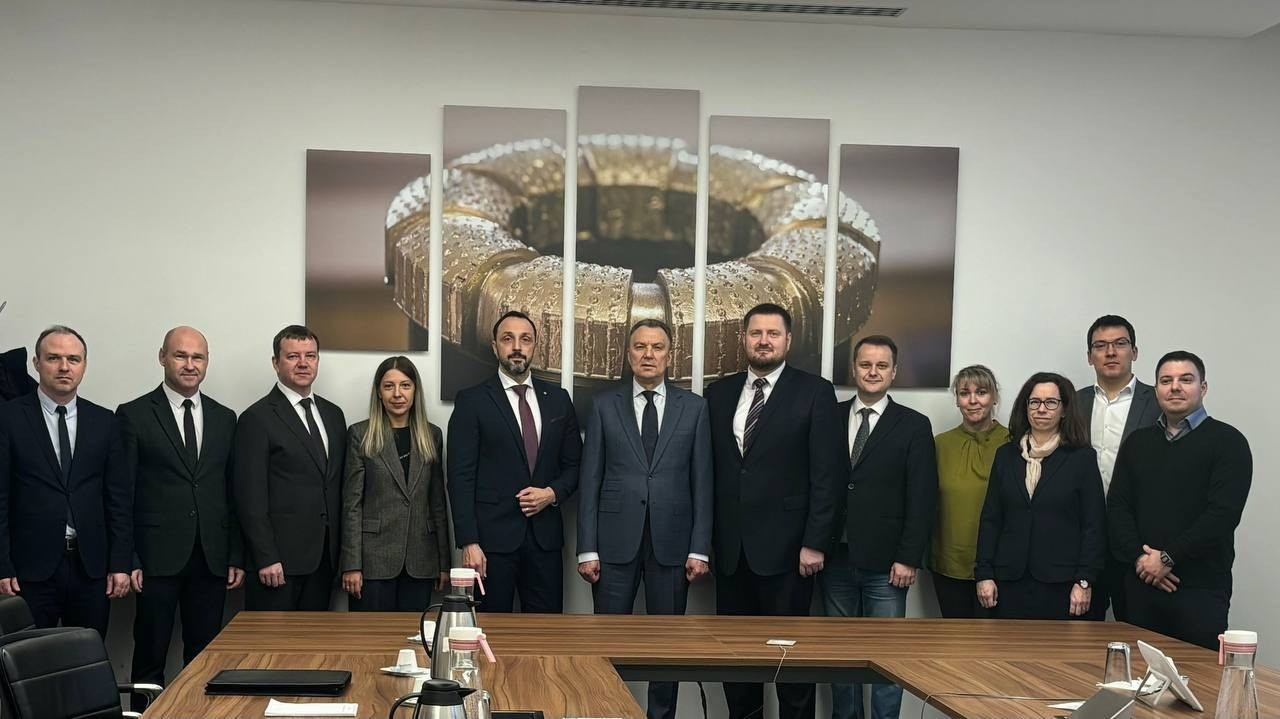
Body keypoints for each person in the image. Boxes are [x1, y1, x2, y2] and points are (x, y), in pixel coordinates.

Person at [705, 303, 843, 719]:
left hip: (790, 552)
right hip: (732, 551)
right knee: (737, 661)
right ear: (744, 339)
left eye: (773, 334)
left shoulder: (815, 392)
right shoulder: (719, 393)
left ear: (788, 340)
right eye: (756, 333)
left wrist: (816, 543)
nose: (764, 341)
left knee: (790, 662)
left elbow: (828, 475)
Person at [576, 319, 712, 719]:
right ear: (628, 354)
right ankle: (605, 713)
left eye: (657, 347)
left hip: (673, 544)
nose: (648, 354)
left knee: (665, 646)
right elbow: (590, 480)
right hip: (613, 544)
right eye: (640, 346)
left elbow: (703, 482)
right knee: (608, 643)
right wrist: (587, 548)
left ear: (670, 355)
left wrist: (700, 548)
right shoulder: (604, 405)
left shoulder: (695, 408)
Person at [117, 326, 243, 690]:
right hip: (155, 559)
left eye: (197, 357)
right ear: (162, 357)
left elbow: (232, 492)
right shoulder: (134, 414)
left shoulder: (225, 417)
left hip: (211, 557)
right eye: (180, 355)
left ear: (207, 362)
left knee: (204, 658)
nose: (190, 364)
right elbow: (122, 494)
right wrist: (129, 557)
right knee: (150, 655)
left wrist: (235, 554)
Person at [1107, 351, 1252, 650]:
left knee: (1198, 676)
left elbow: (1222, 515)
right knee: (1139, 675)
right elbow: (1118, 507)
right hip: (1141, 584)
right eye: (1166, 381)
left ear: (1203, 387)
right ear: (1156, 389)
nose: (1175, 387)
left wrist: (1168, 558)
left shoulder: (1229, 442)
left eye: (1186, 379)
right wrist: (1142, 561)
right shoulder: (1136, 443)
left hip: (1200, 589)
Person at [824, 335, 936, 719]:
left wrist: (909, 558)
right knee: (841, 657)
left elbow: (922, 498)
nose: (873, 372)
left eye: (881, 366)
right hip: (836, 558)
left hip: (888, 564)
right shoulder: (830, 416)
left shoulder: (914, 425)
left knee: (887, 659)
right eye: (865, 364)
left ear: (894, 372)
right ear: (853, 369)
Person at [0, 326, 132, 637]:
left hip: (91, 568)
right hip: (29, 569)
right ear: (36, 363)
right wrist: (2, 565)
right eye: (53, 358)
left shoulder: (105, 421)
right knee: (29, 658)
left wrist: (120, 563)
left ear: (84, 365)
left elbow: (118, 499)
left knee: (87, 655)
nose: (64, 367)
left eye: (73, 359)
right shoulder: (8, 418)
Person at [447, 311, 581, 613]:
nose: (517, 347)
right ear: (495, 347)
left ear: (535, 347)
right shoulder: (472, 401)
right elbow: (460, 477)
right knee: (492, 630)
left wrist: (552, 493)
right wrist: (469, 542)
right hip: (490, 544)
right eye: (508, 339)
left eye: (525, 339)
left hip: (545, 541)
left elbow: (575, 465)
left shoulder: (558, 399)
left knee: (546, 630)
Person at [975, 372, 1105, 620]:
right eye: (1034, 402)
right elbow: (991, 518)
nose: (1041, 409)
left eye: (1051, 402)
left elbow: (1093, 525)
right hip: (1008, 580)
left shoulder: (1081, 458)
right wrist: (984, 573)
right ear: (1025, 407)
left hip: (1062, 583)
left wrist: (1085, 580)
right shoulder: (1006, 455)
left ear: (1064, 409)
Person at [233, 325, 346, 610]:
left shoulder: (333, 415)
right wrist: (265, 557)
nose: (303, 363)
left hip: (324, 560)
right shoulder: (256, 418)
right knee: (271, 639)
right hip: (277, 564)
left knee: (315, 638)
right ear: (276, 362)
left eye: (310, 356)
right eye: (293, 356)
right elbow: (249, 498)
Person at [341, 356, 450, 611]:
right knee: (370, 635)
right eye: (389, 386)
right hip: (372, 562)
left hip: (421, 561)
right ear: (379, 392)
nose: (397, 394)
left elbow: (437, 504)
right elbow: (351, 505)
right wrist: (351, 564)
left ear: (415, 391)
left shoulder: (432, 435)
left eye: (405, 385)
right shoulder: (360, 434)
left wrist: (444, 563)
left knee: (413, 634)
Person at [1076, 315, 1160, 620]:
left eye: (1120, 344)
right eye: (1101, 346)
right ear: (1090, 356)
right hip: (1083, 539)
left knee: (1139, 627)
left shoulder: (1159, 402)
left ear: (1134, 352)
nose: (1110, 352)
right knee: (1079, 631)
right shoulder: (1073, 403)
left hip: (1139, 540)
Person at [930, 364, 1008, 619]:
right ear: (957, 399)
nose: (973, 400)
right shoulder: (940, 444)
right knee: (955, 638)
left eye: (981, 392)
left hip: (1000, 565)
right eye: (965, 393)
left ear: (994, 397)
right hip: (949, 563)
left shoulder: (1014, 442)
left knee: (995, 639)